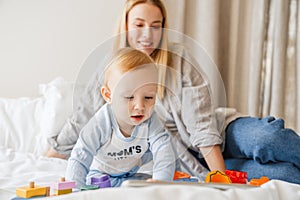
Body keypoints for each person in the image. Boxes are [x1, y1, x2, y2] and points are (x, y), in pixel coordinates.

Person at [47, 0, 300, 184]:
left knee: (266, 139)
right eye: (139, 24)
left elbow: (202, 127)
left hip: (218, 135)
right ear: (125, 25)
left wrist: (220, 177)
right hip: (189, 163)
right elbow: (83, 118)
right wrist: (49, 155)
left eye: (156, 26)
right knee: (285, 176)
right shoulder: (110, 68)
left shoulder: (179, 60)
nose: (147, 35)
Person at [66, 48, 176, 188]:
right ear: (108, 95)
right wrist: (74, 192)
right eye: (129, 97)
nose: (140, 106)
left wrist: (161, 183)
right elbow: (80, 156)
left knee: (148, 186)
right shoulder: (101, 122)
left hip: (130, 175)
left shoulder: (150, 120)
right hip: (100, 176)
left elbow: (163, 150)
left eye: (148, 97)